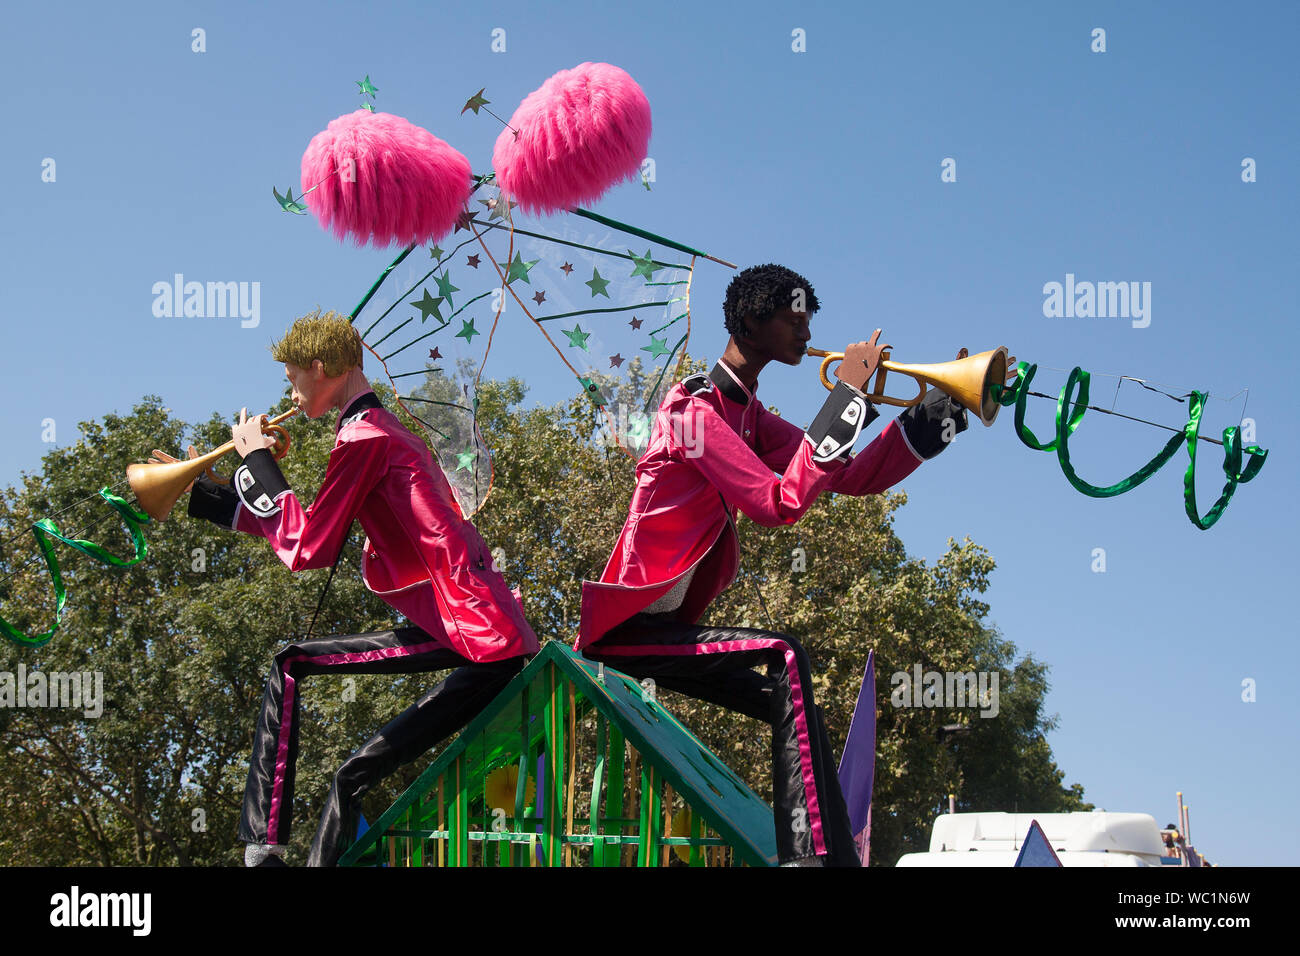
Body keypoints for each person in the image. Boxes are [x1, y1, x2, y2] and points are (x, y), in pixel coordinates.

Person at [577, 263, 983, 866]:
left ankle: (836, 857)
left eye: (808, 319)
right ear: (749, 322)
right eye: (794, 319)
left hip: (664, 632)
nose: (805, 330)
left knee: (791, 700)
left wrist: (940, 413)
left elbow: (855, 478)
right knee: (786, 653)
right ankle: (804, 860)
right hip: (624, 631)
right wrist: (845, 397)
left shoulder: (747, 413)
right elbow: (777, 504)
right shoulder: (689, 413)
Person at [178, 309, 537, 866]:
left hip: (473, 635)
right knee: (350, 776)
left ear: (321, 368)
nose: (291, 394)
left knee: (291, 664)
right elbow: (311, 524)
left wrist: (255, 462)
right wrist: (203, 496)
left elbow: (308, 550)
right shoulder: (378, 433)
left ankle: (262, 848)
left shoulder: (364, 437)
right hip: (483, 634)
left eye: (293, 378)